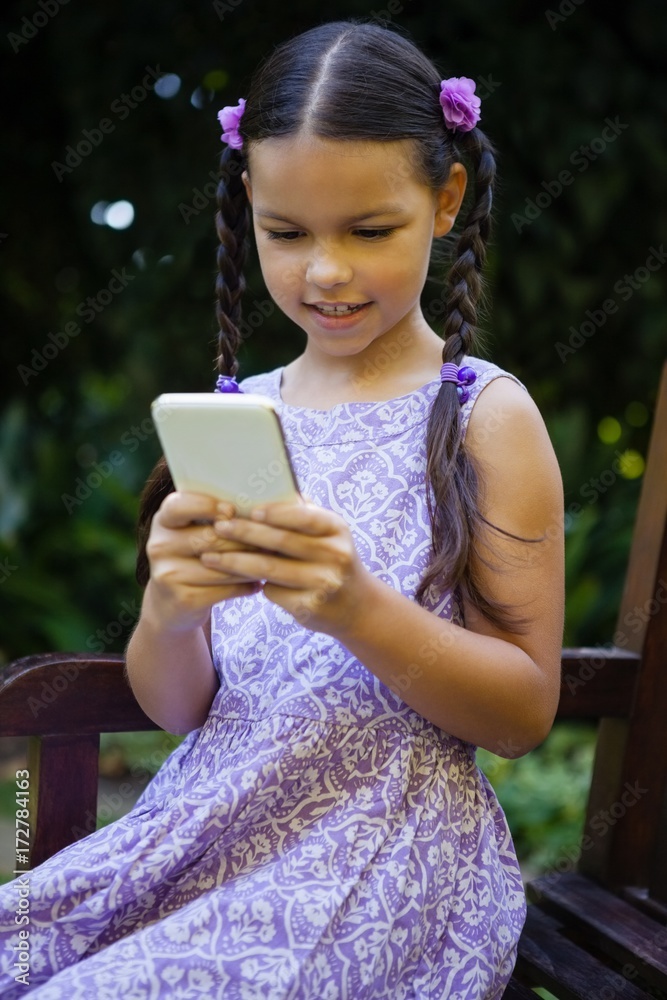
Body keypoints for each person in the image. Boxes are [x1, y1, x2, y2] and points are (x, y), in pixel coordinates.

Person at [0, 17, 564, 999]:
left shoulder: (484, 416)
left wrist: (355, 606)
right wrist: (169, 610)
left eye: (368, 230)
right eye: (287, 233)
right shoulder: (238, 415)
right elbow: (179, 707)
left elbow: (522, 710)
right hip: (205, 830)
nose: (325, 271)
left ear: (446, 200)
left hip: (383, 853)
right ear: (248, 208)